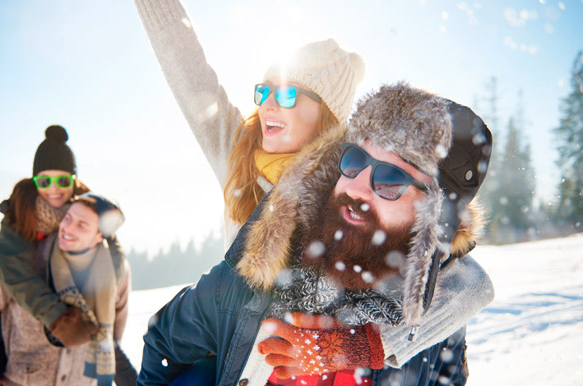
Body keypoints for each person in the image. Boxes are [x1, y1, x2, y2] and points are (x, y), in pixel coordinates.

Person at [136, 82, 495, 385]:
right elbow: (164, 341)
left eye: (390, 179)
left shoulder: (440, 306)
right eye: (354, 161)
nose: (357, 187)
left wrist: (364, 347)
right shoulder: (261, 271)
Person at [134, 0, 366, 246]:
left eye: (287, 94)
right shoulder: (239, 153)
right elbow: (185, 65)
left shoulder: (352, 190)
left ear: (327, 116)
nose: (267, 105)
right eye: (264, 92)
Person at [0, 126, 136, 385]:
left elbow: (114, 325)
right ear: (34, 182)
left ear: (74, 181)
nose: (54, 189)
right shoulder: (19, 251)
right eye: (44, 181)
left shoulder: (108, 260)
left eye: (63, 181)